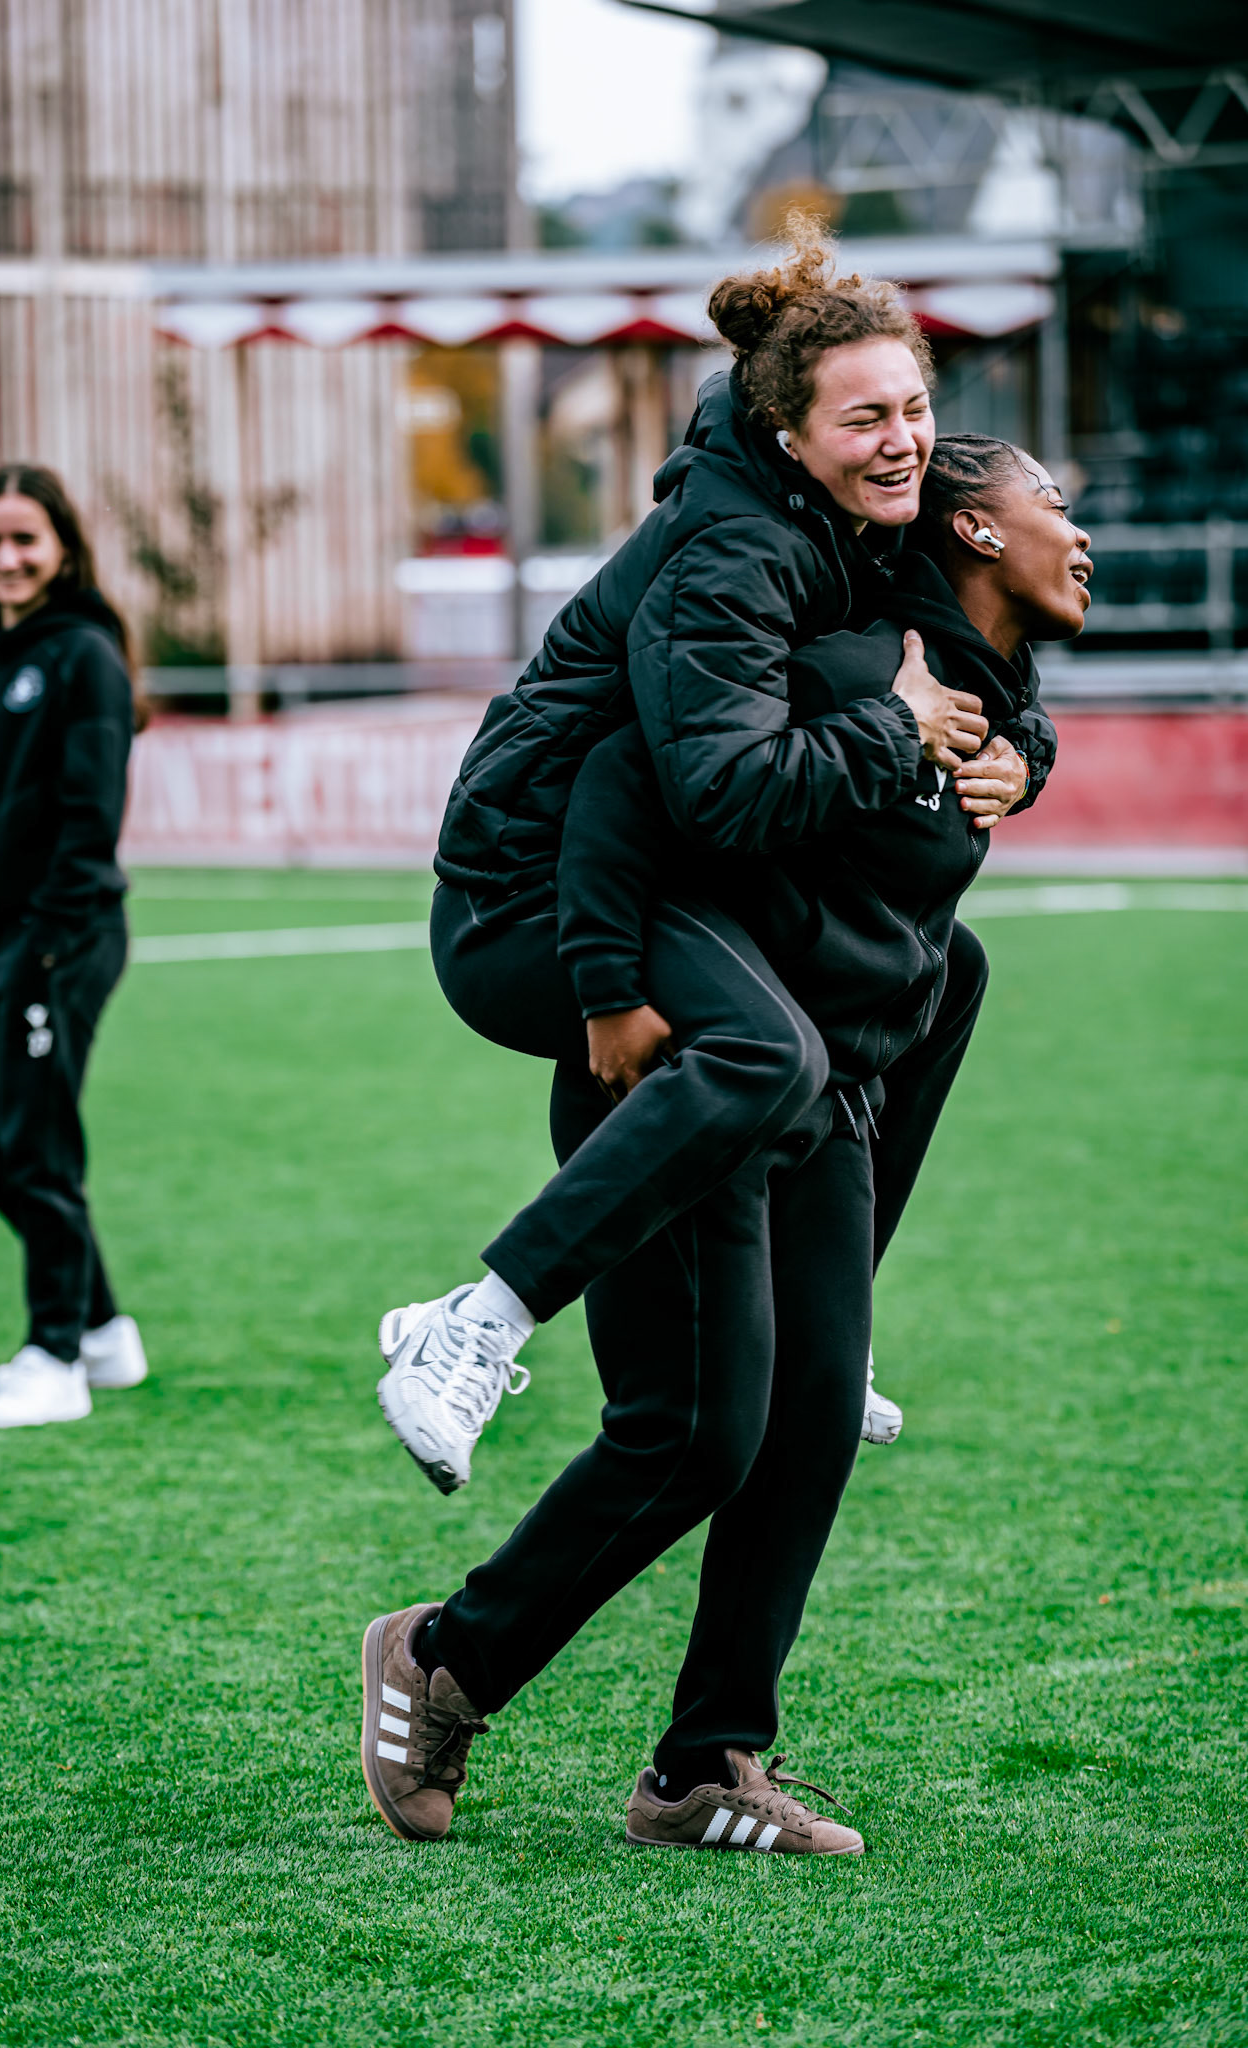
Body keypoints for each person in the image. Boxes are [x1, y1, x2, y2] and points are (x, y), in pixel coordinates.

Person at [359, 434, 1092, 1859]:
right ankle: (440, 1662)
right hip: (679, 1067)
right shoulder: (851, 653)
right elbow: (630, 785)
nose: (1082, 531)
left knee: (809, 1417)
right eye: (1052, 500)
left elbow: (924, 952)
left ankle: (705, 1768)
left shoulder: (990, 697)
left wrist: (1021, 755)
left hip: (804, 1088)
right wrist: (608, 997)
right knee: (695, 1432)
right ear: (977, 532)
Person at [376, 220, 1054, 1493]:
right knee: (769, 1051)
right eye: (864, 420)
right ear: (791, 435)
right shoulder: (732, 549)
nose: (901, 439)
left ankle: (829, 1329)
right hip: (529, 894)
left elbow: (961, 649)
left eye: (912, 406)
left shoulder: (855, 523)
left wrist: (1021, 753)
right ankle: (474, 1320)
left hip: (652, 877)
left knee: (944, 971)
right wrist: (606, 984)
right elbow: (714, 788)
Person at [0, 465, 148, 1429]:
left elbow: (89, 815)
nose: (7, 559)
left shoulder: (84, 656)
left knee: (35, 1146)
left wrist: (47, 944)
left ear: (62, 545)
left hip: (56, 940)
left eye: (25, 539)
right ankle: (102, 1331)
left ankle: (54, 1355)